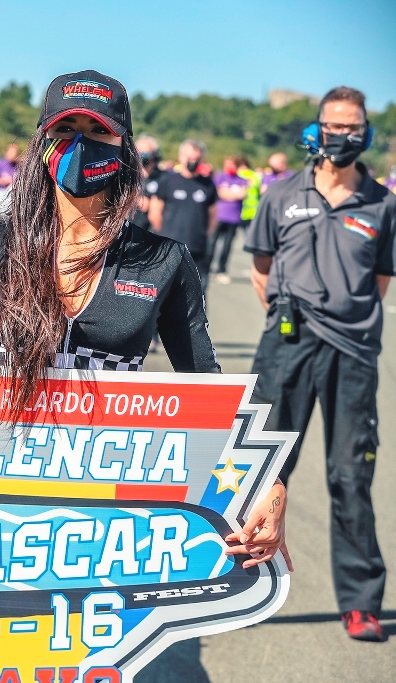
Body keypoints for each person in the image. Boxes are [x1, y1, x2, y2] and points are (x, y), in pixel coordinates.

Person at [0, 69, 291, 574]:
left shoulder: (164, 262)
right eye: (65, 130)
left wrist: (267, 485)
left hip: (110, 504)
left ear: (124, 147)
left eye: (99, 131)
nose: (81, 145)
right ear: (42, 143)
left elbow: (208, 387)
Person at [245, 86, 394, 642]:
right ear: (317, 129)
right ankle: (237, 583)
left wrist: (345, 321)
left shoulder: (382, 203)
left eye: (354, 126)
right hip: (286, 347)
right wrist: (288, 319)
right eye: (335, 125)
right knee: (261, 469)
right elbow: (261, 269)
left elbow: (379, 281)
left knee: (351, 476)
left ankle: (361, 602)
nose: (344, 135)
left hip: (352, 354)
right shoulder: (282, 193)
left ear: (366, 132)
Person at [147, 139, 218, 289]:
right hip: (169, 248)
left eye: (196, 158)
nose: (193, 161)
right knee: (164, 291)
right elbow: (155, 212)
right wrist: (163, 235)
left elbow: (213, 215)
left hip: (197, 249)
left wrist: (204, 234)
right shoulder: (167, 180)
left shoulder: (208, 185)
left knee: (196, 292)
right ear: (181, 157)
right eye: (189, 157)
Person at [209, 156, 249, 284]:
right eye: (227, 164)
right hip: (219, 216)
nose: (229, 167)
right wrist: (231, 194)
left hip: (233, 218)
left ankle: (221, 270)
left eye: (231, 164)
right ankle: (207, 267)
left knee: (227, 246)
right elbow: (218, 193)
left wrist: (227, 193)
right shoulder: (220, 177)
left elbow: (242, 194)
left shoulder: (242, 180)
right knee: (212, 243)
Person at [130, 133, 162, 230]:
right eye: (139, 152)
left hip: (152, 230)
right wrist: (135, 198)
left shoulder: (163, 177)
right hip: (131, 228)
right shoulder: (128, 175)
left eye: (146, 153)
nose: (142, 156)